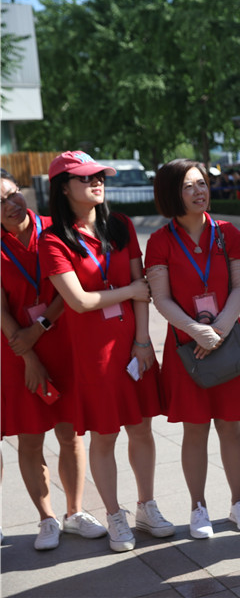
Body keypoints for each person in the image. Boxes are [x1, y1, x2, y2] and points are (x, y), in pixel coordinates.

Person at [40, 151, 174, 552]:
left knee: (142, 428)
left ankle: (146, 507)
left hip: (133, 344)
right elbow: (78, 301)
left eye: (99, 176)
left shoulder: (121, 226)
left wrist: (144, 340)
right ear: (64, 187)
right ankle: (115, 515)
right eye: (85, 178)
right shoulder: (53, 239)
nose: (96, 182)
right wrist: (130, 292)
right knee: (105, 434)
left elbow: (141, 286)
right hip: (94, 351)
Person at [145, 159, 240, 540]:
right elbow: (160, 299)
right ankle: (198, 507)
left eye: (202, 183)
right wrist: (198, 331)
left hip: (226, 340)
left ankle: (239, 501)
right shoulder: (160, 241)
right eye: (188, 186)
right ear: (170, 193)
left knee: (232, 426)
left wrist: (220, 329)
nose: (200, 191)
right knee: (194, 430)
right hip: (185, 345)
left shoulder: (226, 232)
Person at [1, 169, 107, 551]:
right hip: (18, 351)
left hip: (64, 341)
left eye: (14, 194)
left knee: (71, 434)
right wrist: (28, 354)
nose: (11, 205)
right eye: (0, 202)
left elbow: (72, 287)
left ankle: (75, 512)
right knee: (30, 439)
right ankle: (46, 518)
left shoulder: (55, 229)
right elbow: (1, 310)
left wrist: (40, 326)